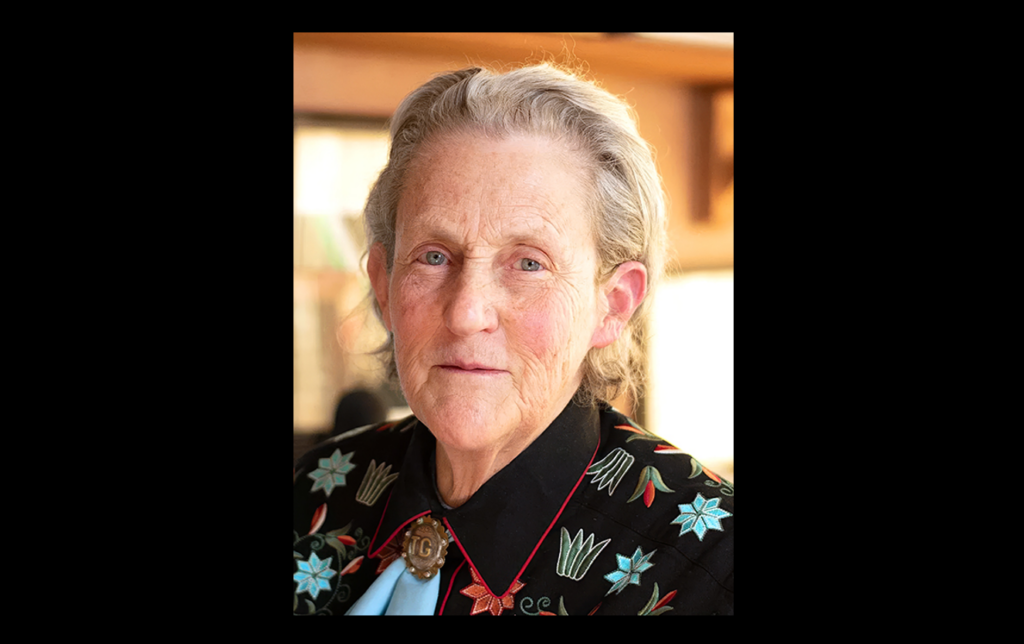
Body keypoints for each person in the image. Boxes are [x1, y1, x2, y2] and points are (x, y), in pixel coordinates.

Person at [293, 63, 733, 616]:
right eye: (434, 256)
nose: (466, 312)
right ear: (382, 282)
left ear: (614, 303)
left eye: (529, 263)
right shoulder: (316, 491)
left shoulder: (712, 567)